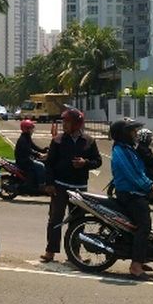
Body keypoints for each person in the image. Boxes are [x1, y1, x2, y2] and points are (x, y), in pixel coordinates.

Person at [41, 108, 102, 263]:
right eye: (63, 121)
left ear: (76, 123)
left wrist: (85, 163)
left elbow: (98, 161)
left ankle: (74, 254)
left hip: (80, 189)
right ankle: (50, 251)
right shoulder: (58, 140)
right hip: (60, 187)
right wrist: (49, 184)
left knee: (77, 222)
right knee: (55, 219)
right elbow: (49, 164)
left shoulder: (89, 141)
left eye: (67, 122)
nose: (64, 125)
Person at [109, 118, 153, 280]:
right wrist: (149, 186)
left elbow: (141, 171)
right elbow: (132, 175)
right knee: (144, 226)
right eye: (132, 131)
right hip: (130, 194)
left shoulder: (128, 149)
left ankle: (141, 258)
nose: (135, 134)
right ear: (123, 134)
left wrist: (151, 183)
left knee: (140, 226)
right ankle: (136, 266)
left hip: (136, 192)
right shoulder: (120, 151)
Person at [15, 119, 47, 187]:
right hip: (23, 161)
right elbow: (28, 150)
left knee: (42, 163)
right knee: (41, 166)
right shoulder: (23, 139)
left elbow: (33, 146)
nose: (32, 130)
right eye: (31, 128)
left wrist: (43, 150)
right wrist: (38, 154)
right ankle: (41, 185)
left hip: (27, 159)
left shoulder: (27, 137)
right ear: (26, 129)